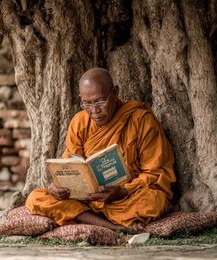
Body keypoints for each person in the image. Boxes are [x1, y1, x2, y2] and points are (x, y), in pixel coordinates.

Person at [25, 68, 176, 234]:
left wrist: (121, 191)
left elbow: (156, 173)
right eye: (87, 104)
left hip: (127, 197)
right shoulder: (79, 122)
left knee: (153, 201)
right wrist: (57, 186)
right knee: (36, 198)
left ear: (115, 92)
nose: (94, 111)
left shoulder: (140, 119)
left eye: (100, 102)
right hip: (88, 199)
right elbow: (69, 167)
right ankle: (114, 226)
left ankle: (88, 219)